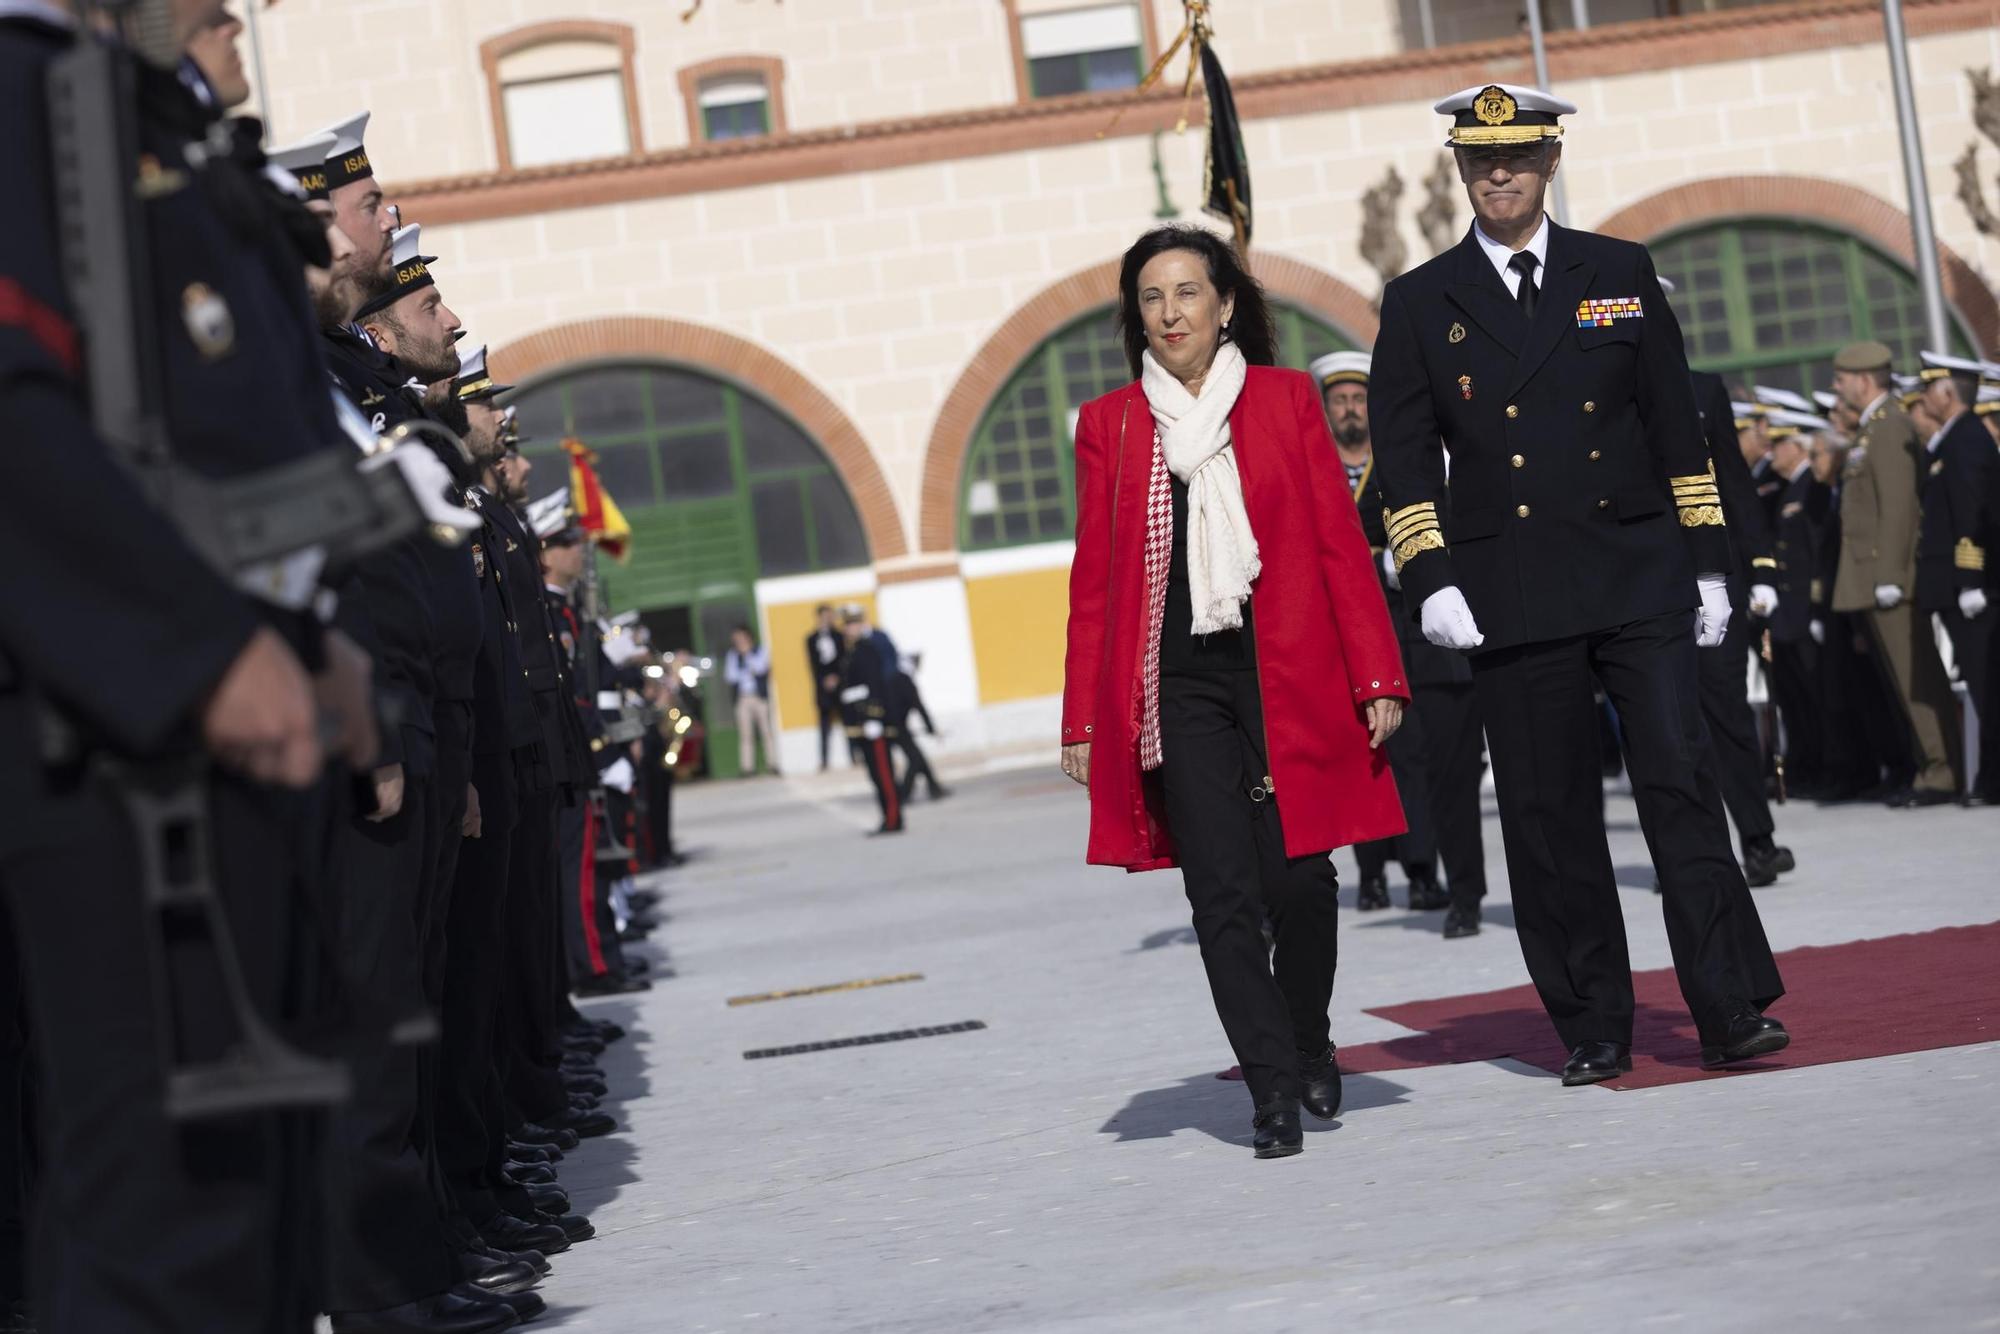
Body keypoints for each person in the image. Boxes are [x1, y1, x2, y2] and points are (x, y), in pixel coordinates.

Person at [0, 4, 375, 1329]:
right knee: (165, 1230)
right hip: (105, 734)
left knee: (256, 1210)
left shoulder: (144, 111)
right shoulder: (25, 90)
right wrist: (198, 650)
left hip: (218, 722)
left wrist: (303, 630)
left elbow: (222, 430)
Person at [1370, 84, 1789, 1087]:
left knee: (1680, 790)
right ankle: (1590, 1020)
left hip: (1635, 572)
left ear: (1548, 162)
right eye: (1479, 160)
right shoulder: (1422, 300)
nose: (1498, 172)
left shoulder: (1616, 270)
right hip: (1510, 591)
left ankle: (1726, 1003)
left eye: (1514, 156)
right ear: (1460, 170)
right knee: (1548, 816)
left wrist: (1706, 560)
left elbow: (1673, 428)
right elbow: (1401, 454)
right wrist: (1427, 572)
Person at [1062, 225, 1408, 1159]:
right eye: (1151, 298)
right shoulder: (1111, 425)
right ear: (1134, 318)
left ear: (1223, 305)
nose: (1170, 313)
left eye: (1187, 293)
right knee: (1219, 894)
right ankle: (1269, 1089)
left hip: (1285, 671)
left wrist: (1377, 672)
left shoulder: (1287, 400)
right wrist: (1082, 720)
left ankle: (1306, 1036)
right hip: (1175, 685)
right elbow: (1094, 580)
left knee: (1300, 881)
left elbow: (1340, 544)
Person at [1310, 351, 1488, 936]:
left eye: (1358, 399)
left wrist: (1394, 561)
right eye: (1339, 401)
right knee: (1378, 761)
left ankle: (1444, 880)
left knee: (1441, 767)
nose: (1350, 410)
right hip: (1354, 637)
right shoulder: (1317, 469)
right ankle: (1391, 872)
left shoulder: (1403, 465)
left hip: (1420, 632)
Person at [1829, 342, 1960, 807]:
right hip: (1871, 576)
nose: (1836, 387)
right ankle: (1929, 765)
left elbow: (1900, 505)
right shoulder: (1872, 430)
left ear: (1864, 381)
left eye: (1841, 379)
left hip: (1889, 577)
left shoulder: (1888, 428)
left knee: (1916, 679)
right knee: (1900, 681)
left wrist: (1889, 573)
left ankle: (1942, 770)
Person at [1687, 377, 1793, 884]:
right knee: (1664, 726)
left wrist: (1763, 564)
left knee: (1727, 713)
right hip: (1642, 579)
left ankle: (1758, 839)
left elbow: (1734, 483)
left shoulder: (1702, 391)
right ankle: (1689, 851)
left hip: (1714, 573)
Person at [1915, 351, 1995, 802]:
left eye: (1929, 388)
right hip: (1954, 584)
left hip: (1968, 586)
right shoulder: (1952, 440)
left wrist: (1970, 580)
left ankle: (1993, 779)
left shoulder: (1965, 439)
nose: (1924, 398)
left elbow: (1970, 514)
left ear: (1947, 393)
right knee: (1985, 685)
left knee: (1987, 686)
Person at [839, 607, 906, 836]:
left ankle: (893, 818)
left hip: (872, 720)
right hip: (860, 721)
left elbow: (876, 685)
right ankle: (887, 816)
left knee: (884, 773)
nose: (850, 629)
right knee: (875, 774)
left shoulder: (867, 650)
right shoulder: (852, 651)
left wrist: (874, 716)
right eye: (847, 625)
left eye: (854, 624)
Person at [723, 626, 779, 777]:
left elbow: (761, 669)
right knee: (746, 733)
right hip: (743, 698)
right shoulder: (733, 655)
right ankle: (747, 767)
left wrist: (748, 656)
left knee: (766, 731)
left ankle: (772, 764)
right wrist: (743, 664)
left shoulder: (759, 651)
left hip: (759, 696)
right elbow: (730, 676)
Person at [805, 604, 850, 769]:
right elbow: (813, 664)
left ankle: (854, 755)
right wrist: (825, 679)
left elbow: (844, 659)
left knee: (848, 720)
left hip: (840, 684)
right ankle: (824, 760)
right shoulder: (811, 639)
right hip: (823, 687)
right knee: (824, 725)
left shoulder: (839, 636)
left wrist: (837, 677)